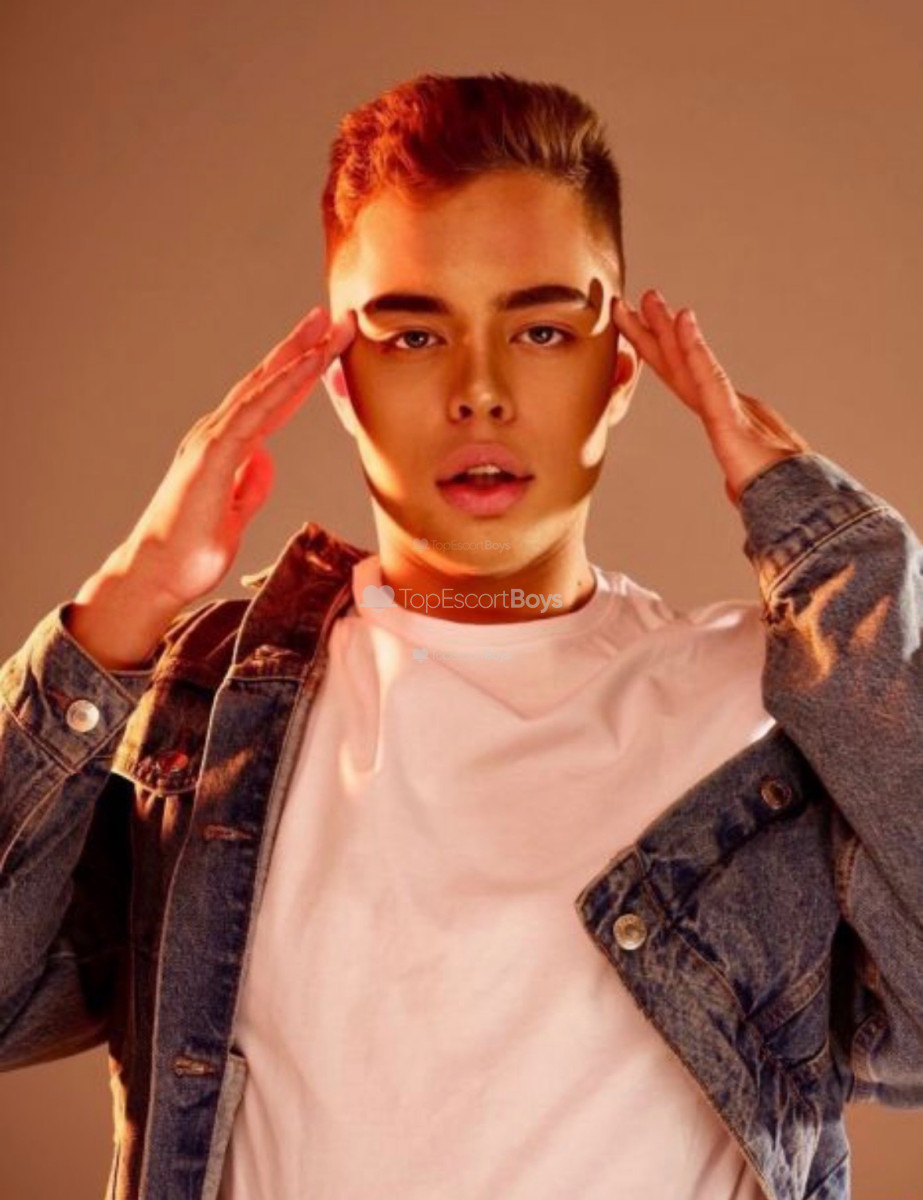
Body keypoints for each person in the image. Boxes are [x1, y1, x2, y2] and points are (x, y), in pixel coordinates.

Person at [0, 70, 920, 1200]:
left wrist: (831, 555)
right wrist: (123, 607)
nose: (479, 391)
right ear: (341, 382)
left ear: (616, 373)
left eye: (540, 329)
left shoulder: (764, 712)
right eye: (411, 336)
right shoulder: (206, 714)